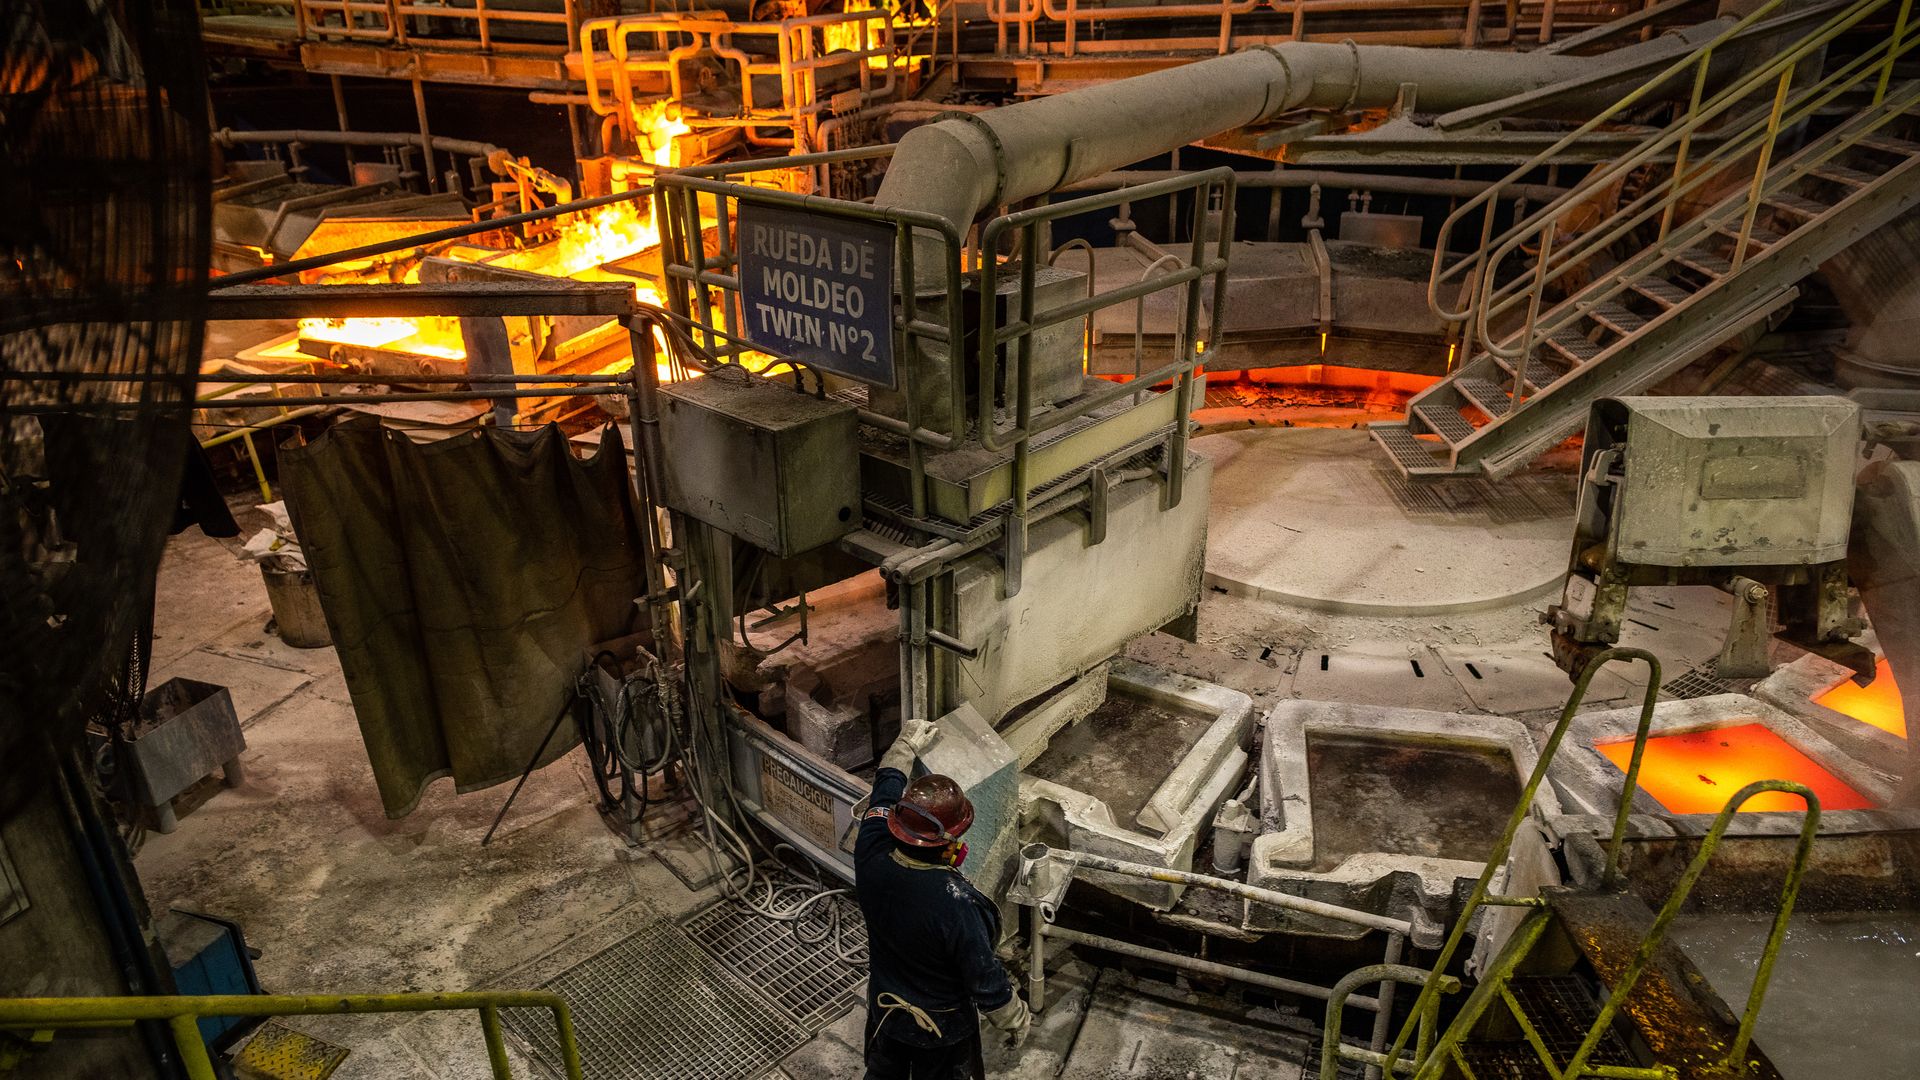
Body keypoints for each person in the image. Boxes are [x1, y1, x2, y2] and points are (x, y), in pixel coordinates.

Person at [855, 719, 1032, 1078]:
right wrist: (1016, 1020)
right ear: (949, 844)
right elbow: (985, 979)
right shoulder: (957, 903)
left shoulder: (871, 848)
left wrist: (906, 743)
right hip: (940, 1031)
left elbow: (885, 790)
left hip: (885, 1011)